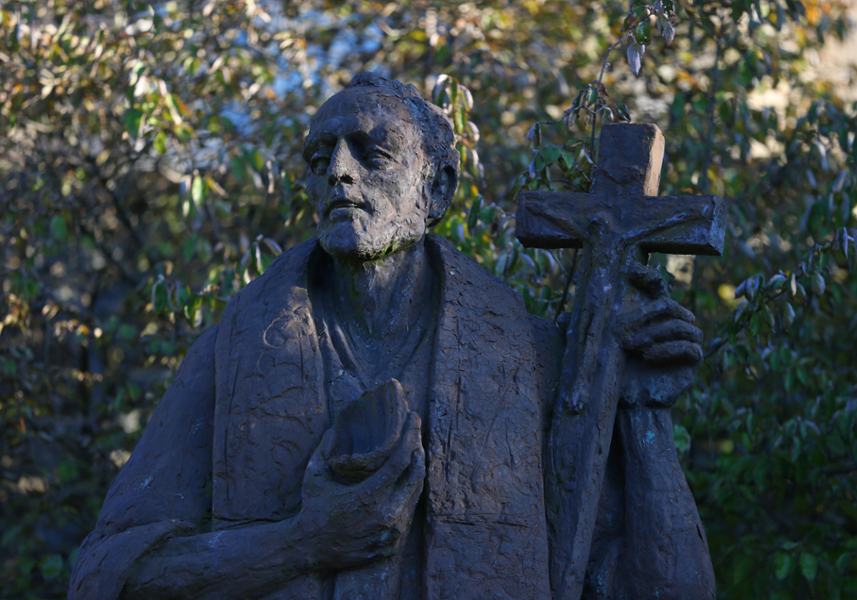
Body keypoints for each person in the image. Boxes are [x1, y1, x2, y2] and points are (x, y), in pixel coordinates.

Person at [69, 72, 714, 600]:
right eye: (320, 159)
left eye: (371, 152)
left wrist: (642, 417)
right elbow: (107, 575)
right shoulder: (235, 352)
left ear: (436, 189)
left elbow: (662, 588)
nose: (339, 173)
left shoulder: (528, 358)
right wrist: (303, 543)